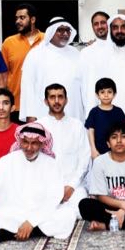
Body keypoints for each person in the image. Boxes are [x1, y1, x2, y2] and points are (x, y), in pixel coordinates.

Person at [0, 122, 76, 242]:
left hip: (40, 214)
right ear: (20, 141)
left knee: (67, 215)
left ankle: (16, 233)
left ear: (42, 143)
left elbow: (54, 198)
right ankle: (29, 232)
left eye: (34, 143)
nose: (29, 148)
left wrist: (31, 222)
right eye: (25, 142)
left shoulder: (51, 164)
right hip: (11, 212)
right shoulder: (7, 161)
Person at [38, 83, 91, 226]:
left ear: (66, 100)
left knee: (81, 209)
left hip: (73, 187)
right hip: (47, 187)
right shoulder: (39, 127)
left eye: (60, 97)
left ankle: (59, 215)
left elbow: (85, 159)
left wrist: (71, 186)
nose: (56, 101)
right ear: (46, 101)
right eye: (52, 97)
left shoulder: (77, 125)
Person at [19, 17, 83, 123]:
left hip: (73, 112)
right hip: (43, 113)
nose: (65, 33)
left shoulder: (76, 53)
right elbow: (28, 87)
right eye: (60, 30)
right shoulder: (35, 54)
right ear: (51, 32)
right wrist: (30, 115)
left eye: (68, 30)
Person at [1, 3, 44, 120]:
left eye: (22, 18)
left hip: (43, 105)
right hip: (16, 105)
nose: (17, 21)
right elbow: (3, 76)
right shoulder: (8, 43)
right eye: (16, 18)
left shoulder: (47, 40)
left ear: (33, 19)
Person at [86, 77, 125, 158]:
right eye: (102, 92)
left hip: (116, 152)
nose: (106, 95)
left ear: (114, 94)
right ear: (97, 95)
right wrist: (93, 149)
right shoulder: (94, 112)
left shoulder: (118, 111)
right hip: (98, 152)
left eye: (109, 92)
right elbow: (90, 131)